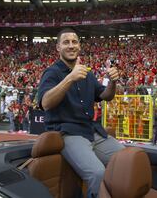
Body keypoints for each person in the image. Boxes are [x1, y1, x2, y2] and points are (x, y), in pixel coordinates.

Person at [37, 28, 125, 198]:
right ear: (58, 47)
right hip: (67, 133)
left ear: (79, 45)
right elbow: (46, 103)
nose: (71, 45)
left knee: (126, 161)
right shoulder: (52, 72)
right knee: (97, 174)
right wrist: (70, 78)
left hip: (91, 130)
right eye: (66, 42)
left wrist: (113, 82)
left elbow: (105, 96)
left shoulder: (87, 73)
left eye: (74, 42)